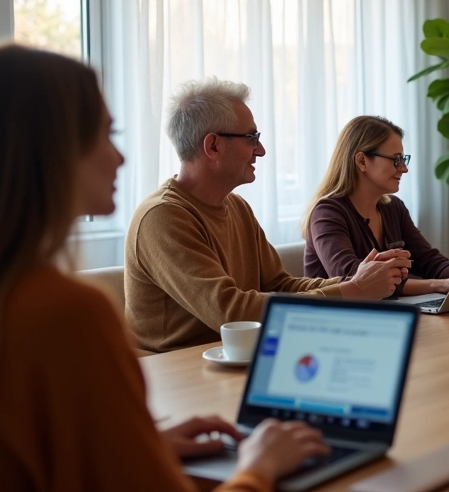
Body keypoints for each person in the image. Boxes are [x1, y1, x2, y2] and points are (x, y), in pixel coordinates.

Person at [0, 45, 328, 492]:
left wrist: (137, 446)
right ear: (49, 154)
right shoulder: (66, 313)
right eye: (105, 135)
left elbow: (11, 468)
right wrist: (258, 469)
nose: (120, 157)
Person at [125, 78, 408, 353]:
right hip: (175, 372)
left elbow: (280, 285)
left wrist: (356, 280)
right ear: (213, 146)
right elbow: (231, 313)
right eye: (252, 138)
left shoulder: (237, 207)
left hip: (237, 357)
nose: (260, 150)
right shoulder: (162, 217)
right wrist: (354, 290)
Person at [304, 116, 449, 296]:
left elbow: (428, 260)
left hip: (388, 309)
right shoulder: (326, 213)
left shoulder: (393, 207)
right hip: (339, 313)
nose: (404, 168)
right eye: (396, 159)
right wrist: (438, 285)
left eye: (403, 159)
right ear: (362, 161)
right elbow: (352, 279)